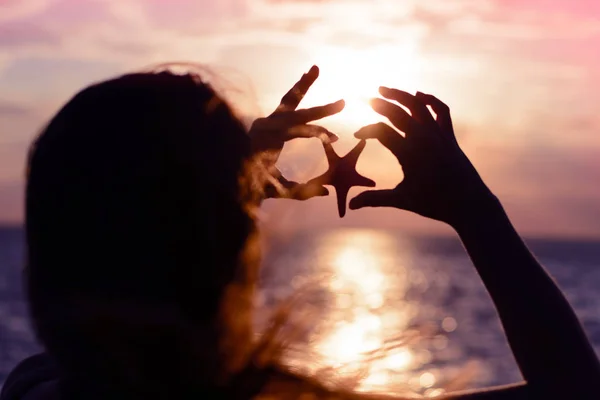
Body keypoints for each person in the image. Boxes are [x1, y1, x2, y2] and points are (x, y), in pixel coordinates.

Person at [1, 64, 598, 400]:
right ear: (238, 262)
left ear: (38, 265)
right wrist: (475, 210)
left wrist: (226, 195)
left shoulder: (28, 387)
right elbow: (573, 388)